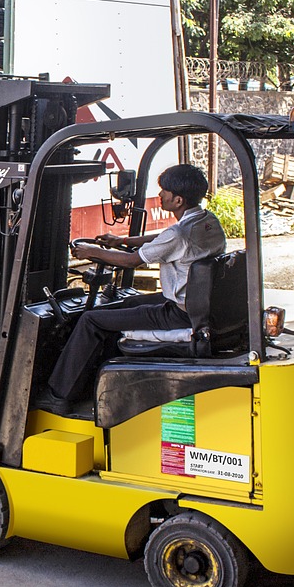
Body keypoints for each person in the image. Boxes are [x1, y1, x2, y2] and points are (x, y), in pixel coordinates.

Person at [40, 164, 227, 414]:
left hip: (180, 313)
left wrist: (92, 252)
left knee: (90, 320)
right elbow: (163, 238)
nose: (160, 196)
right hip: (197, 303)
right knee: (123, 305)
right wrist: (122, 241)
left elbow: (132, 261)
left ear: (178, 199)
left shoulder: (180, 233)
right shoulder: (205, 221)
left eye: (165, 191)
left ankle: (59, 395)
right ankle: (95, 375)